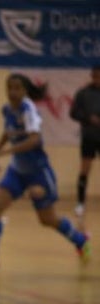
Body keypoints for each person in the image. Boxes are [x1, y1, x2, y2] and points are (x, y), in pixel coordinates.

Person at [0, 74, 91, 273]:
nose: (12, 92)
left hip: (38, 172)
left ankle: (80, 240)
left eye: (17, 88)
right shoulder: (7, 110)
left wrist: (5, 152)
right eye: (9, 88)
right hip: (17, 172)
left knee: (47, 219)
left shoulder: (28, 109)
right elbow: (8, 132)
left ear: (25, 91)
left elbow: (34, 140)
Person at [69, 65, 100, 218]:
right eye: (95, 76)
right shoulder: (83, 93)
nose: (97, 79)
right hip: (89, 137)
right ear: (91, 76)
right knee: (84, 170)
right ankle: (80, 203)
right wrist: (88, 118)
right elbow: (73, 112)